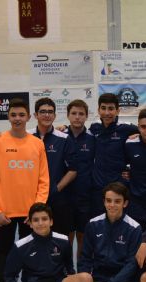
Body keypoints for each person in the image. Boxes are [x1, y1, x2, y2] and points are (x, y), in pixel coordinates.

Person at [0, 98, 50, 282]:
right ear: (8, 117)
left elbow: (43, 179)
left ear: (28, 117)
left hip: (31, 215)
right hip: (5, 214)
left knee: (32, 255)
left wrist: (37, 212)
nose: (18, 119)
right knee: (5, 255)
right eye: (14, 115)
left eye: (22, 115)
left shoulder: (37, 143)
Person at [75, 182, 141, 282]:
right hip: (97, 278)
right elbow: (85, 258)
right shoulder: (93, 224)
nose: (112, 205)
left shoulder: (134, 228)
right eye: (109, 201)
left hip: (121, 280)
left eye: (117, 201)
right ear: (104, 202)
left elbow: (131, 265)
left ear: (125, 203)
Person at [30, 97, 77, 236]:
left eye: (50, 112)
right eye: (43, 111)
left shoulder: (64, 138)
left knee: (59, 238)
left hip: (57, 200)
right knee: (32, 240)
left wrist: (56, 189)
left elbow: (73, 170)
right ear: (35, 115)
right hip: (31, 199)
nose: (47, 115)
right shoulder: (26, 136)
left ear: (55, 116)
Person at [65, 99, 95, 256]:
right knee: (67, 238)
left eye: (81, 114)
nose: (77, 117)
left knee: (83, 237)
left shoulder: (93, 138)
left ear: (86, 116)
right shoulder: (60, 137)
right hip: (65, 197)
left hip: (85, 197)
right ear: (68, 115)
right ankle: (68, 272)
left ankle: (81, 272)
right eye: (74, 113)